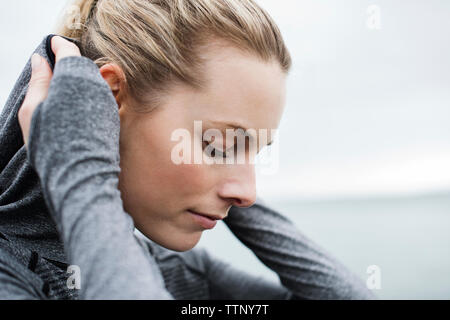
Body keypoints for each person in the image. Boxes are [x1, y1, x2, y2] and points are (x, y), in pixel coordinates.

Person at [0, 0, 375, 299]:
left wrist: (75, 166)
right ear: (107, 99)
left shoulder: (167, 270)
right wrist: (82, 164)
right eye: (220, 145)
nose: (248, 194)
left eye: (255, 153)